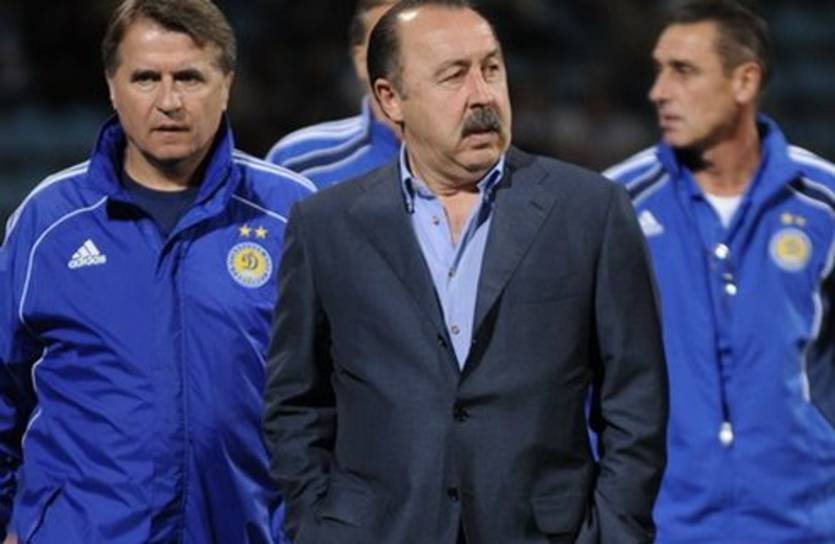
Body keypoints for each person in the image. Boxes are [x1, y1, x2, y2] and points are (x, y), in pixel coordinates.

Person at [263, 1, 668, 542]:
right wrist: (317, 527)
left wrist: (615, 533)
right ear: (390, 98)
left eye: (491, 68)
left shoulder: (592, 210)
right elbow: (296, 403)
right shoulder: (324, 225)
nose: (483, 94)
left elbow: (636, 401)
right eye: (453, 75)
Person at [0, 0, 314, 542]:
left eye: (189, 77)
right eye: (146, 78)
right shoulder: (48, 221)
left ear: (227, 84)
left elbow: (336, 395)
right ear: (112, 86)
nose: (169, 101)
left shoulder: (290, 212)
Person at [604, 1, 835, 541]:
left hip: (808, 524)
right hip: (663, 525)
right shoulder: (613, 205)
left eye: (683, 71)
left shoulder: (825, 202)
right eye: (658, 70)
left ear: (744, 81)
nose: (659, 91)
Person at [264, 0, 401, 189]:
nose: (405, 60)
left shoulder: (448, 156)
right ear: (361, 61)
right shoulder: (298, 161)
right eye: (388, 46)